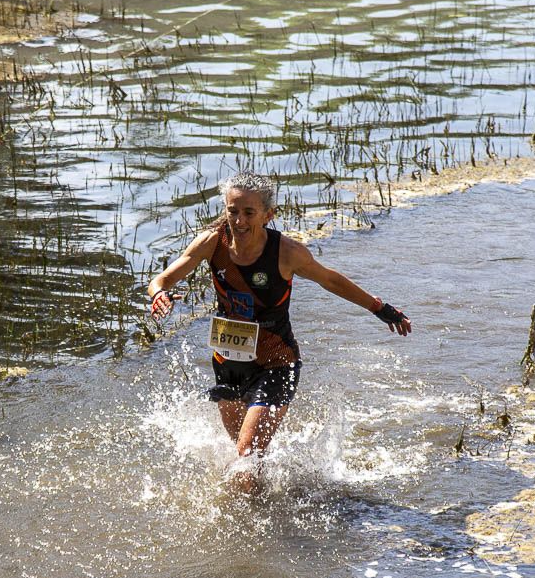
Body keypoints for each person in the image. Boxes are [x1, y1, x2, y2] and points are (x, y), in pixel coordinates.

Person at [146, 171, 412, 492]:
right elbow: (161, 280)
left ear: (268, 215)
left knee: (247, 454)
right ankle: (265, 502)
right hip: (228, 362)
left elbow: (330, 280)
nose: (239, 221)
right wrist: (158, 294)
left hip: (276, 362)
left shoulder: (287, 252)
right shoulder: (211, 243)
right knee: (246, 459)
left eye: (249, 212)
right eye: (232, 211)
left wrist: (379, 308)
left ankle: (253, 527)